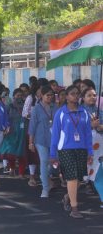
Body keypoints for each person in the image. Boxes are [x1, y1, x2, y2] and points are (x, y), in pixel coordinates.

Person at [50, 85, 93, 219]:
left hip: (81, 149)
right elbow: (55, 135)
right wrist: (53, 154)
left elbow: (88, 134)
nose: (75, 96)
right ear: (67, 96)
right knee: (72, 177)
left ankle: (68, 196)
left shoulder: (84, 112)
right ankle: (74, 208)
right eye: (72, 94)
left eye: (77, 93)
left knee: (79, 178)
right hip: (65, 149)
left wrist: (90, 152)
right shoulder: (61, 113)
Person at [28, 85, 58, 198]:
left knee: (54, 162)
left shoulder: (55, 107)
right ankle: (45, 188)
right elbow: (32, 126)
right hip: (40, 139)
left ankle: (44, 176)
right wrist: (30, 142)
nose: (50, 97)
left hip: (54, 139)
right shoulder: (36, 108)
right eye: (48, 95)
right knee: (44, 161)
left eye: (52, 95)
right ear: (41, 96)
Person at [81, 87, 103, 208]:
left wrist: (99, 127)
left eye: (94, 95)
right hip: (84, 148)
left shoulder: (99, 111)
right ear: (83, 98)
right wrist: (90, 125)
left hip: (99, 147)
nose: (92, 97)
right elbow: (77, 130)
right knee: (83, 175)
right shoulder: (79, 111)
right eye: (89, 95)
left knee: (99, 173)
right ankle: (69, 197)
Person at [0, 88, 27, 178]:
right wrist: (4, 128)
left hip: (22, 131)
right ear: (13, 96)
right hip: (11, 131)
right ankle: (12, 168)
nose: (19, 97)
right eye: (17, 95)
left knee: (21, 151)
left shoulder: (26, 106)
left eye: (21, 95)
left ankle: (21, 173)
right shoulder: (9, 106)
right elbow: (3, 117)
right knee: (11, 151)